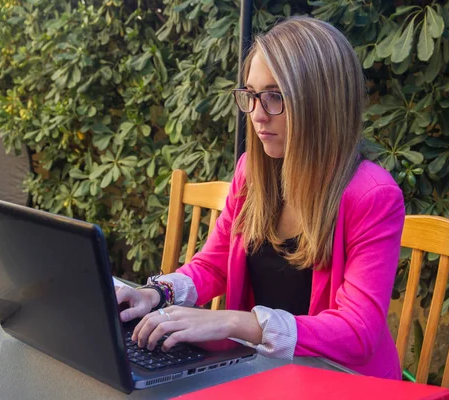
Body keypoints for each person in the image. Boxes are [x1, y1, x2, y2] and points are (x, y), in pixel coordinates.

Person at [116, 16, 405, 380]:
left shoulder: (372, 196)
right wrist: (157, 294)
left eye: (274, 97)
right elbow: (214, 264)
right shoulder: (252, 172)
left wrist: (236, 322)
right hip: (266, 374)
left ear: (321, 102)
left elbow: (356, 331)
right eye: (251, 96)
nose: (256, 114)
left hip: (339, 380)